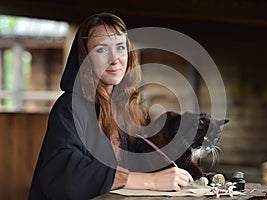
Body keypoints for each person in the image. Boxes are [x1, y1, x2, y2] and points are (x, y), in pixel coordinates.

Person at [28, 12, 193, 200]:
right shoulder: (69, 107)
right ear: (85, 59)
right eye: (101, 50)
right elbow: (65, 172)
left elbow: (142, 153)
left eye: (120, 48)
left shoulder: (125, 108)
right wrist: (151, 181)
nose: (115, 59)